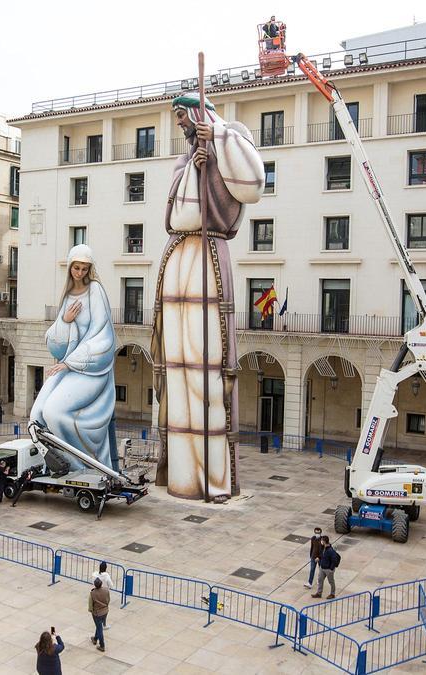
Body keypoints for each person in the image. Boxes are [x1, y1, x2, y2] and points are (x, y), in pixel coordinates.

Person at [150, 92, 264, 500]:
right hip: (178, 262)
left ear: (200, 114)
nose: (181, 125)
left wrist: (214, 139)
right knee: (178, 375)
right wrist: (199, 164)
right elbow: (177, 209)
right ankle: (182, 472)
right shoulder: (186, 160)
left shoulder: (232, 134)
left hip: (206, 263)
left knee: (207, 370)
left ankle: (212, 476)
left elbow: (252, 185)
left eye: (184, 117)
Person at [30, 244, 120, 472]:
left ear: (90, 269)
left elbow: (103, 336)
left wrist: (68, 363)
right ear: (70, 267)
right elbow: (55, 342)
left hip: (91, 368)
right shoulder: (68, 296)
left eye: (84, 269)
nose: (79, 273)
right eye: (76, 268)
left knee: (55, 412)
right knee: (37, 415)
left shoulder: (96, 291)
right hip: (69, 366)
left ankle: (85, 466)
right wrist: (65, 321)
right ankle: (59, 464)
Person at [89, 577, 109, 652]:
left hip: (97, 613)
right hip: (105, 611)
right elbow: (108, 599)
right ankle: (95, 639)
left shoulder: (92, 593)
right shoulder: (106, 590)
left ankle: (102, 645)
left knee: (99, 628)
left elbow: (90, 605)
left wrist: (91, 611)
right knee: (99, 625)